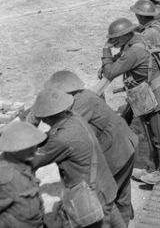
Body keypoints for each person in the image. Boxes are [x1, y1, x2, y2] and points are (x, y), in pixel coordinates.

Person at [100, 19, 160, 187]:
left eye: (115, 39)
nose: (113, 42)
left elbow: (111, 71)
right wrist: (112, 58)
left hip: (159, 98)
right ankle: (151, 169)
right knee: (153, 134)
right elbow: (123, 58)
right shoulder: (138, 40)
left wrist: (106, 51)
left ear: (126, 35)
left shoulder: (133, 51)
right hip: (156, 94)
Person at [42, 71, 138, 227]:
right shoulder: (85, 95)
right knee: (122, 196)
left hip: (117, 155)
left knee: (105, 201)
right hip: (127, 147)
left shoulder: (80, 104)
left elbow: (61, 133)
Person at [31, 88, 124, 227]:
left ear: (44, 117)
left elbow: (31, 162)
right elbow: (51, 138)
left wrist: (27, 130)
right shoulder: (74, 117)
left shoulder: (61, 140)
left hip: (92, 199)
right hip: (106, 188)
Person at [0, 121, 47, 228]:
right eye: (28, 146)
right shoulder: (6, 177)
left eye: (34, 145)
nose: (34, 150)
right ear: (14, 148)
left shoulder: (23, 161)